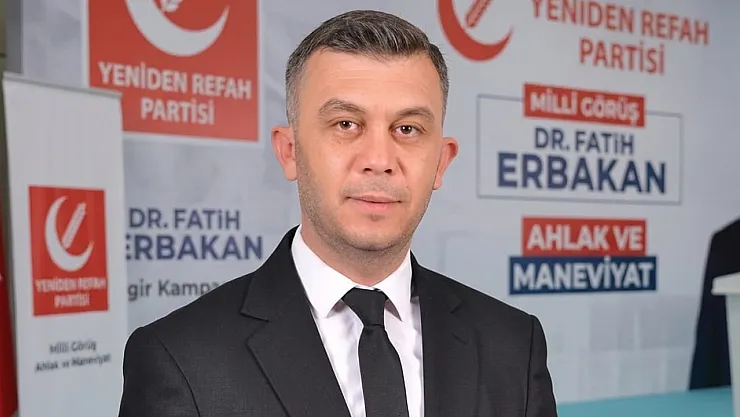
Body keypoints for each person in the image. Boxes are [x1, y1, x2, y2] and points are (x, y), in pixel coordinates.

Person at [117, 9, 558, 417]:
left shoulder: (514, 346)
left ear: (441, 162)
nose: (379, 160)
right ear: (290, 151)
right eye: (346, 124)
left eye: (407, 129)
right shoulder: (179, 358)